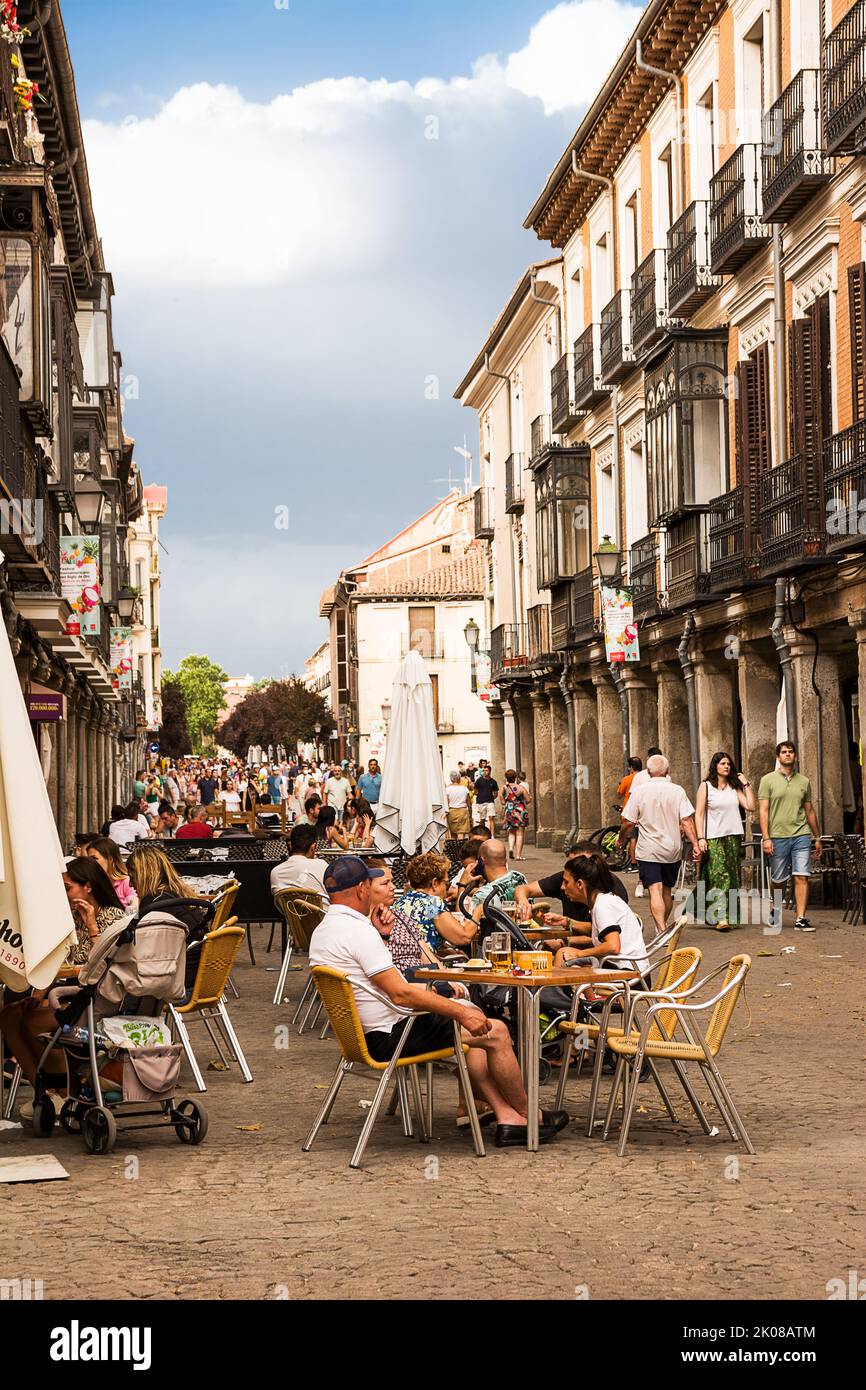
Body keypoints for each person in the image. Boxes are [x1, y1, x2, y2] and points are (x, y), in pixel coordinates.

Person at [308, 856, 568, 1146]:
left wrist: (383, 936)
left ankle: (507, 1116)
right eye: (371, 883)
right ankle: (530, 1116)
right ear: (360, 889)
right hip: (391, 1036)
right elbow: (400, 993)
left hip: (359, 1037)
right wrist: (460, 1013)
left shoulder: (324, 930)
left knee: (475, 1028)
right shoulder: (358, 931)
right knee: (496, 1031)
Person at [0, 859, 129, 1116]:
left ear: (88, 887)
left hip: (100, 1000)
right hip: (71, 992)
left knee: (34, 1023)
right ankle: (45, 1093)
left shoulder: (114, 917)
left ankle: (65, 1091)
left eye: (68, 888)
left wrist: (92, 926)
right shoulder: (72, 918)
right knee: (9, 1015)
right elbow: (59, 961)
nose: (65, 895)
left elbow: (104, 967)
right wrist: (37, 994)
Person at [617, 754, 700, 934]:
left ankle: (661, 929)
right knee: (667, 890)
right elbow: (686, 820)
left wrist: (621, 839)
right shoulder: (677, 791)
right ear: (667, 771)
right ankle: (661, 927)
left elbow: (628, 821)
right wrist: (695, 844)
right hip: (672, 848)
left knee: (655, 889)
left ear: (648, 771)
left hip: (649, 849)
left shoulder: (639, 791)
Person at [758, 740, 822, 932]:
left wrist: (817, 837)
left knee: (802, 875)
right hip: (777, 836)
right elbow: (763, 811)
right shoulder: (767, 780)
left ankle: (800, 917)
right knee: (779, 879)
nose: (788, 754)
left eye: (791, 752)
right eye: (784, 752)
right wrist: (766, 838)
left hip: (801, 834)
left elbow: (809, 810)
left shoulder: (804, 781)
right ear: (778, 757)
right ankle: (776, 910)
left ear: (795, 756)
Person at [551, 856, 650, 975]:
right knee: (567, 955)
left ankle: (564, 993)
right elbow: (599, 941)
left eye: (566, 882)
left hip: (629, 974)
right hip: (626, 969)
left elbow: (613, 946)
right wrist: (566, 937)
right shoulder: (602, 901)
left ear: (580, 884)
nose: (562, 887)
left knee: (563, 955)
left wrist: (578, 954)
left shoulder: (602, 905)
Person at [695, 752, 756, 931]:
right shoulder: (705, 787)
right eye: (723, 763)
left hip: (734, 835)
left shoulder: (734, 787)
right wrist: (700, 838)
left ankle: (727, 916)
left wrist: (745, 783)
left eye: (728, 764)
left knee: (732, 876)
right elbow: (698, 814)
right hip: (713, 837)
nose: (726, 766)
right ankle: (721, 917)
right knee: (720, 875)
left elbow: (751, 806)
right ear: (715, 766)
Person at [514, 840, 629, 926]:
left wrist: (568, 943)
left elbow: (608, 940)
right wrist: (523, 902)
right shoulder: (567, 878)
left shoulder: (607, 895)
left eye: (579, 864)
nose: (562, 887)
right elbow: (523, 889)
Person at [393, 851, 477, 954]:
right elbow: (464, 937)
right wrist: (478, 912)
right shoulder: (431, 903)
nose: (447, 889)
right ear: (435, 883)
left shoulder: (400, 902)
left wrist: (446, 952)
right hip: (423, 967)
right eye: (446, 884)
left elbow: (426, 936)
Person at [471, 838, 527, 921]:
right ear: (505, 859)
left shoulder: (482, 895)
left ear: (481, 861)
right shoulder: (520, 877)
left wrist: (462, 887)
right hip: (523, 932)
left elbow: (466, 928)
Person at [270, 822, 328, 899]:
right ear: (313, 847)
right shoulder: (321, 865)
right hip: (323, 910)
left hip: (288, 911)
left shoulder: (276, 872)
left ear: (290, 846)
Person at [85, 837, 138, 911]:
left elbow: (135, 905)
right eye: (88, 859)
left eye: (94, 858)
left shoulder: (126, 882)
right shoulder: (91, 885)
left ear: (110, 859)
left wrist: (128, 920)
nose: (90, 863)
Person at [500, 770, 530, 861]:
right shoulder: (520, 787)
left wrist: (508, 802)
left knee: (511, 831)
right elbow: (528, 799)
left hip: (509, 810)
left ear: (507, 778)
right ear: (515, 777)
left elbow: (502, 801)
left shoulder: (504, 788)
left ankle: (511, 848)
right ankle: (518, 855)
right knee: (520, 833)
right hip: (520, 810)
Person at [472, 762, 499, 837]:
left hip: (490, 802)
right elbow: (475, 791)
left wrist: (492, 797)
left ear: (490, 771)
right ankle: (483, 834)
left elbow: (495, 793)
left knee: (491, 817)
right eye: (484, 770)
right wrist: (479, 795)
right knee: (482, 819)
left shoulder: (493, 782)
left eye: (486, 770)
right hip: (481, 801)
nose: (485, 772)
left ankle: (492, 835)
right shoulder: (479, 781)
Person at [445, 770, 472, 840]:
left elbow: (446, 803)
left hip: (451, 812)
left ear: (451, 779)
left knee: (453, 834)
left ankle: (454, 850)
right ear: (459, 778)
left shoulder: (447, 789)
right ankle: (460, 849)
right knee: (461, 833)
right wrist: (470, 816)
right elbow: (469, 804)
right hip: (462, 812)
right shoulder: (464, 789)